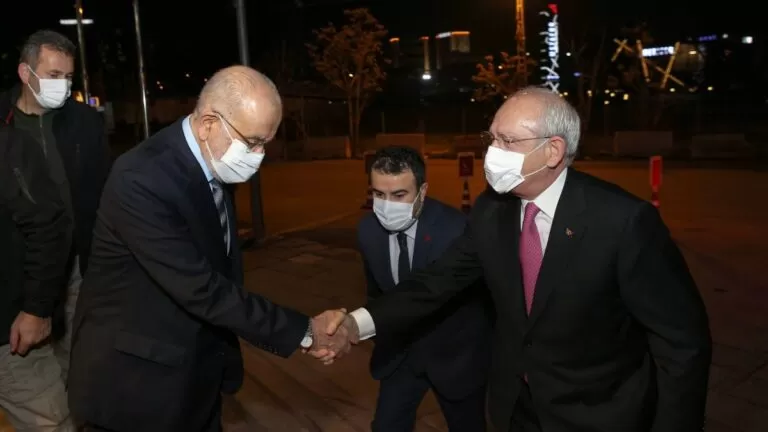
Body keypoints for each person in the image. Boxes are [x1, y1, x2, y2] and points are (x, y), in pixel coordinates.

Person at [320, 87, 712, 432]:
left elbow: (682, 342)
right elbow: (435, 282)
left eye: (508, 141)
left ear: (553, 150)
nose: (492, 153)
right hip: (515, 407)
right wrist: (356, 324)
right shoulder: (492, 210)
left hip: (599, 412)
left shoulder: (623, 221)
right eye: (491, 139)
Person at [67, 66, 350, 432]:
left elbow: (222, 266)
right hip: (137, 387)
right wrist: (306, 331)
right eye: (252, 142)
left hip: (195, 374)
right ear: (208, 124)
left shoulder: (213, 160)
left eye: (266, 143)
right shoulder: (142, 179)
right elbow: (201, 288)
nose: (259, 155)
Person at [0, 30, 112, 379]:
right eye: (53, 75)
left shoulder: (84, 121)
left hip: (75, 262)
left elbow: (104, 190)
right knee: (26, 356)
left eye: (68, 77)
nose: (62, 85)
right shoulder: (3, 122)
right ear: (25, 73)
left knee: (77, 351)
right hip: (15, 265)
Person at [359, 146, 492, 431]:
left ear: (422, 191)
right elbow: (376, 293)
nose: (387, 206)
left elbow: (483, 301)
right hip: (400, 356)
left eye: (399, 195)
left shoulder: (457, 230)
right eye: (379, 194)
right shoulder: (368, 231)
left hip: (454, 359)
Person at [0, 124, 74, 430]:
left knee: (49, 423)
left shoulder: (8, 145)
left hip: (9, 341)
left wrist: (36, 309)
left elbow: (47, 225)